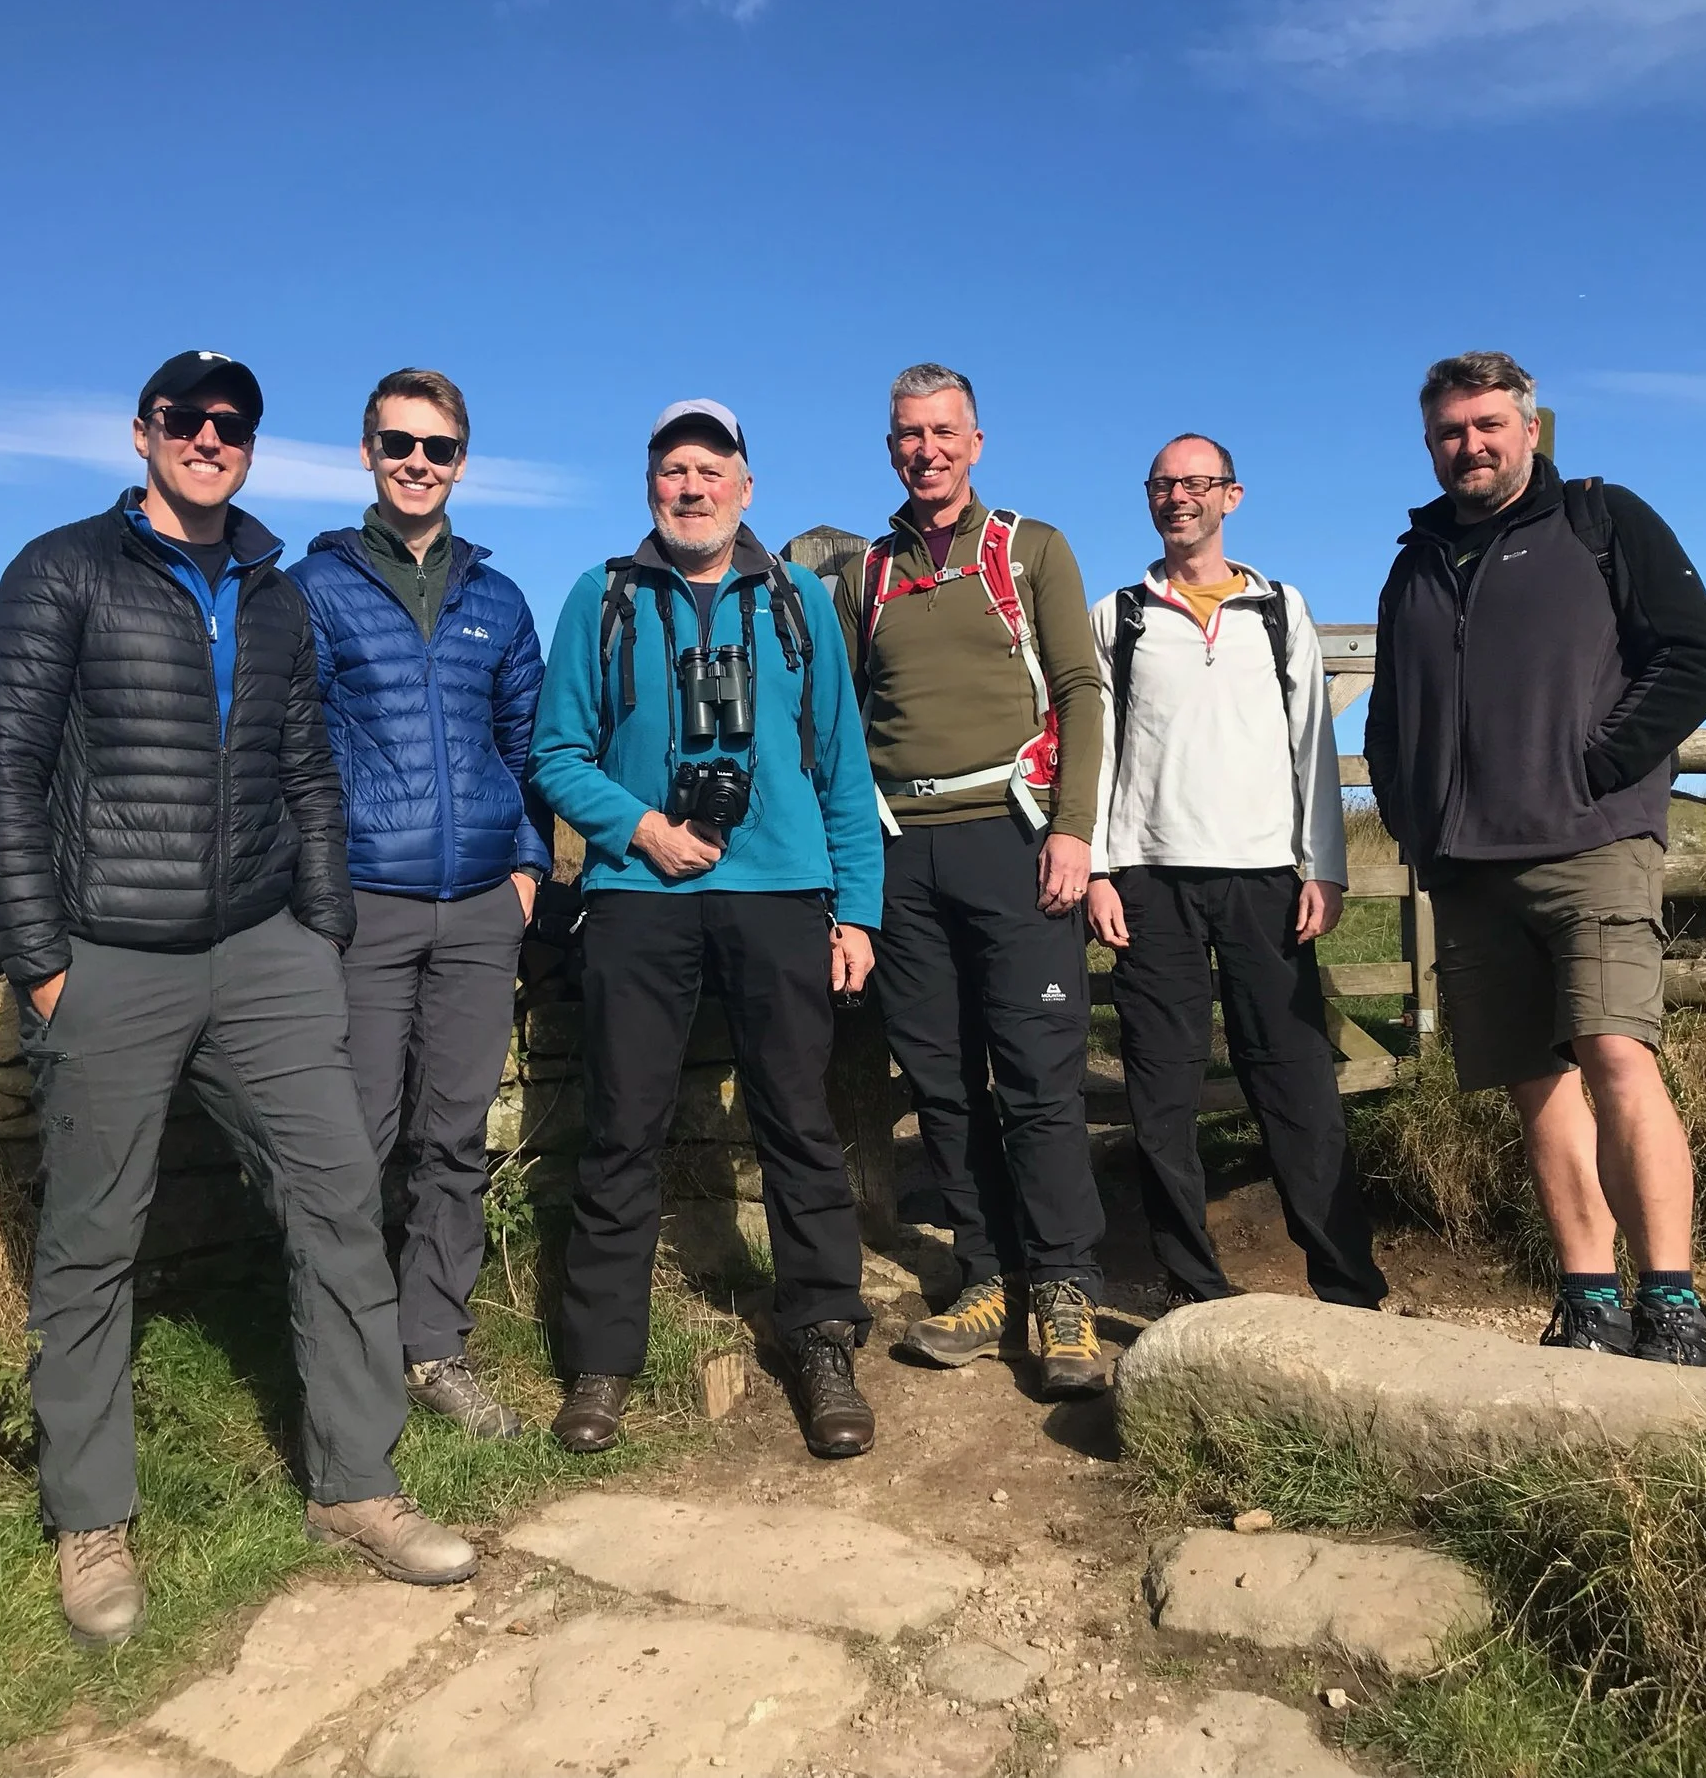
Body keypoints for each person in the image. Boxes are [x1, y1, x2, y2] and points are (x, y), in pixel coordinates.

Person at [0, 350, 475, 1647]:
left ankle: (356, 1483)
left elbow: (309, 771)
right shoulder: (59, 570)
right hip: (108, 953)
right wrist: (43, 960)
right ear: (141, 432)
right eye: (184, 418)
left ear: (249, 442)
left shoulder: (274, 591)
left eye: (230, 421)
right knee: (92, 1242)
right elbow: (2, 778)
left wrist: (323, 929)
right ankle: (92, 1518)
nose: (208, 436)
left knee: (338, 1196)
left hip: (265, 951)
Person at [528, 399, 884, 1459]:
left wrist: (856, 907)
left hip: (780, 892)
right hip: (641, 895)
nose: (691, 487)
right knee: (622, 1129)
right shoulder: (602, 599)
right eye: (672, 469)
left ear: (745, 488)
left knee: (799, 1127)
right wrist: (639, 826)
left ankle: (821, 1340)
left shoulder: (796, 604)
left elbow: (842, 765)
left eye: (710, 469)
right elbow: (555, 754)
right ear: (652, 487)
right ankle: (603, 1362)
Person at [1364, 352, 1706, 1365]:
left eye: (1487, 425)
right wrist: (1408, 810)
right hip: (1468, 865)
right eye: (1448, 430)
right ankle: (1587, 1298)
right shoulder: (1416, 563)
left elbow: (1694, 658)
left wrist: (1599, 763)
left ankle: (1670, 1299)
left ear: (1529, 428)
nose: (1468, 445)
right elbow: (1391, 710)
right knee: (1536, 1082)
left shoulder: (1600, 522)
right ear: (1429, 441)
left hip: (1592, 844)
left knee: (1617, 1054)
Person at [832, 363, 1110, 1398]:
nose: (926, 450)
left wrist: (1074, 831)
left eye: (944, 432)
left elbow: (1079, 690)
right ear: (891, 446)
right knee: (943, 1083)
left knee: (1037, 1077)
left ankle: (1067, 1286)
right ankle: (986, 1273)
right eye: (908, 434)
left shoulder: (1031, 550)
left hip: (1016, 835)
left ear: (976, 441)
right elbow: (847, 721)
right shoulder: (861, 575)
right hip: (906, 849)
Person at [288, 368, 548, 1443]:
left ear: (460, 462)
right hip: (367, 907)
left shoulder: (496, 598)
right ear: (365, 451)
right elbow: (285, 749)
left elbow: (532, 749)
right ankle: (341, 1361)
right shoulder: (314, 586)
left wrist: (528, 869)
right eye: (398, 443)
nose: (416, 463)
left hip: (482, 907)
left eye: (437, 448)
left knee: (452, 1142)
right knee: (355, 1138)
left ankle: (433, 1346)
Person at [1087, 434, 1387, 1313]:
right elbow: (1098, 751)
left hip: (1265, 877)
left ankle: (1346, 1285)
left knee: (1295, 1084)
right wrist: (1101, 870)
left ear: (1232, 496)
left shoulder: (1279, 609)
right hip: (1151, 879)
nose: (1178, 497)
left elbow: (1313, 747)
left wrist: (1323, 867)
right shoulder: (1121, 616)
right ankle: (1193, 1291)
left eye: (1196, 483)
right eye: (1163, 484)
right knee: (1161, 1094)